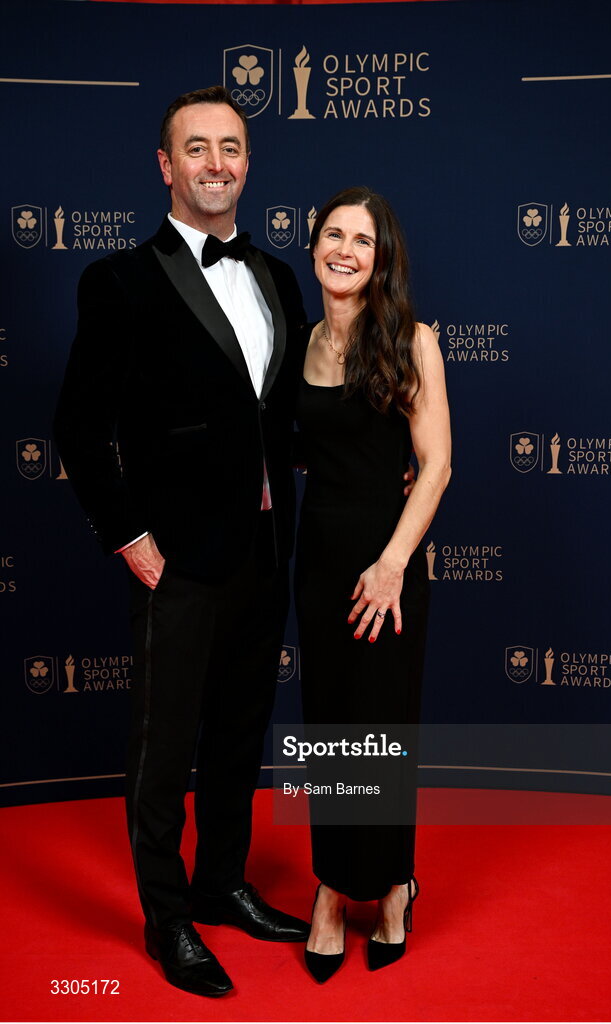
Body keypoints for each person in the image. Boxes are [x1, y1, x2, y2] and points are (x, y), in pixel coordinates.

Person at [53, 85, 312, 998]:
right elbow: (80, 429)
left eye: (230, 148)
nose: (216, 164)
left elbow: (281, 419)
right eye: (196, 148)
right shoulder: (119, 279)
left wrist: (387, 456)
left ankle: (222, 885)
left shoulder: (279, 276)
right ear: (166, 166)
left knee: (241, 736)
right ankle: (167, 921)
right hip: (177, 560)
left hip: (263, 553)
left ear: (248, 162)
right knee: (165, 750)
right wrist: (131, 536)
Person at [294, 186, 451, 981]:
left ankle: (391, 887)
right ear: (313, 244)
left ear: (382, 256)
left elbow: (438, 465)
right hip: (317, 565)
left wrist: (392, 563)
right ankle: (330, 890)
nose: (345, 249)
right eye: (333, 234)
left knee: (383, 731)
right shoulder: (302, 344)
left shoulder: (413, 341)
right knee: (331, 731)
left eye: (363, 239)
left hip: (388, 569)